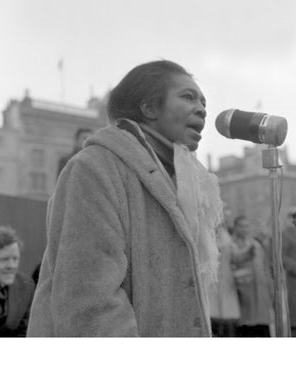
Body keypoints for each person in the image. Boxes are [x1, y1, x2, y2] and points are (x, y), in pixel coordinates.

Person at [27, 60, 224, 337]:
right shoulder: (94, 167)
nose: (202, 109)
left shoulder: (183, 181)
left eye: (204, 101)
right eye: (188, 97)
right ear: (149, 107)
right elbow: (90, 302)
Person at [230, 215, 274, 337]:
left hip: (261, 293)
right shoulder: (230, 244)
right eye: (241, 226)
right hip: (243, 294)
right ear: (236, 227)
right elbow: (235, 259)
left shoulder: (256, 244)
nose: (245, 229)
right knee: (246, 329)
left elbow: (265, 267)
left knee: (262, 328)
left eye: (247, 226)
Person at [208, 207, 241, 337]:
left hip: (226, 276)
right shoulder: (209, 234)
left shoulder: (226, 235)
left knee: (227, 311)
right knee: (213, 308)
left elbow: (234, 254)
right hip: (212, 276)